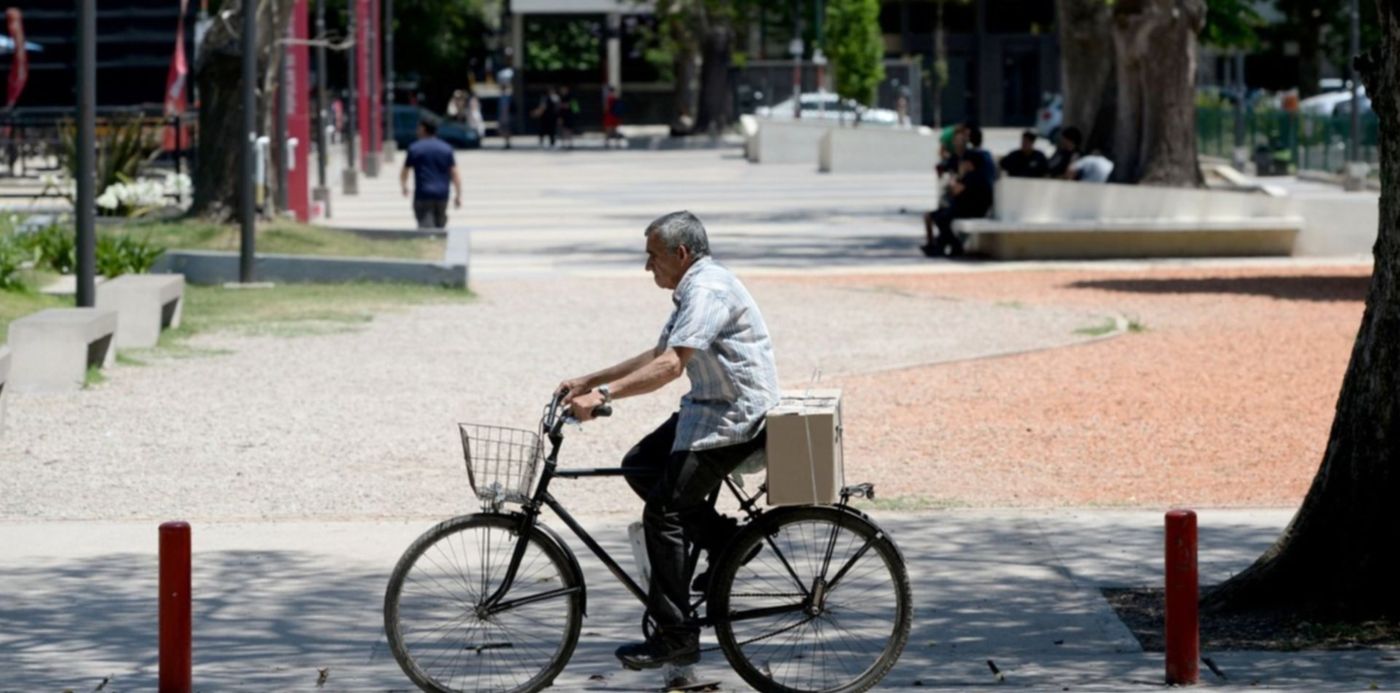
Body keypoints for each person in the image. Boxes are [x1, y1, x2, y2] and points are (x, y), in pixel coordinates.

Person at [558, 211, 780, 671]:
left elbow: (671, 367)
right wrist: (589, 378)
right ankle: (727, 542)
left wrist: (603, 396)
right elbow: (660, 352)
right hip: (710, 407)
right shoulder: (693, 286)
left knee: (664, 513)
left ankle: (677, 635)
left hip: (735, 417)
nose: (647, 268)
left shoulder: (706, 290)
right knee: (641, 464)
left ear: (681, 254)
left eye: (652, 257)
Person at [922, 153, 993, 257]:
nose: (962, 165)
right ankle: (939, 246)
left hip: (969, 211)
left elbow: (955, 191)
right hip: (969, 210)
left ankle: (954, 246)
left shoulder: (972, 176)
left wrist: (955, 178)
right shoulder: (979, 175)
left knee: (942, 220)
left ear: (969, 164)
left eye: (963, 163)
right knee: (940, 218)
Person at [400, 118, 462, 228]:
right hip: (442, 194)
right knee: (440, 227)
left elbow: (405, 171)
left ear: (423, 129)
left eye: (418, 128)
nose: (417, 131)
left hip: (423, 194)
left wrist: (404, 186)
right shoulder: (446, 149)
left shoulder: (415, 148)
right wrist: (458, 195)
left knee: (426, 230)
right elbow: (455, 173)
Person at [496, 64, 515, 149]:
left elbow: (511, 105)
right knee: (503, 129)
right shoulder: (501, 96)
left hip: (507, 115)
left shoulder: (508, 95)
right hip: (502, 115)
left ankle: (508, 142)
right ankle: (506, 142)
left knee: (507, 129)